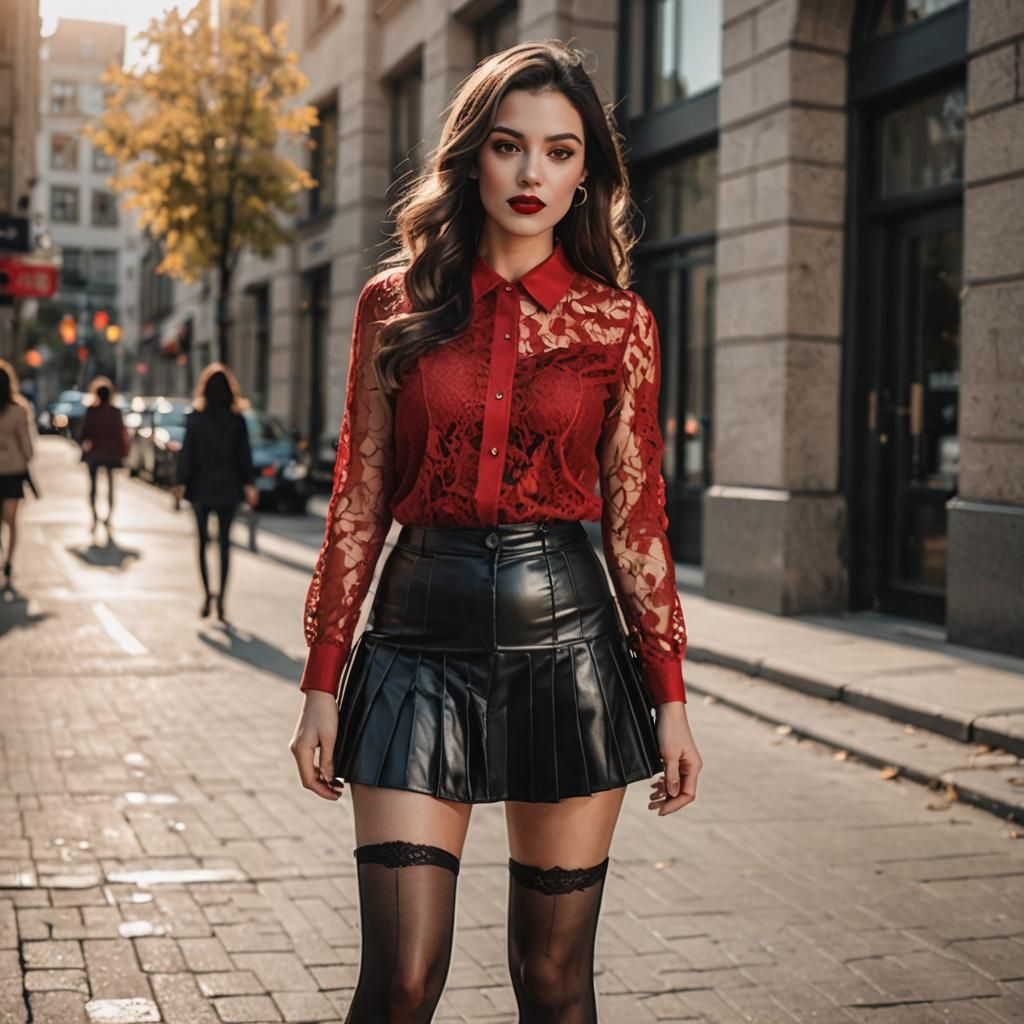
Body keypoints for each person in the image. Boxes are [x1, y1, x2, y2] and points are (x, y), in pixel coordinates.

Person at [289, 40, 704, 1022]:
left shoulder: (617, 324)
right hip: (412, 649)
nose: (531, 174)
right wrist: (319, 676)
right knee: (398, 982)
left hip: (569, 651)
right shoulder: (392, 305)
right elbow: (359, 492)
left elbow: (637, 514)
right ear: (471, 156)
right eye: (509, 146)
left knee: (554, 984)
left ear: (584, 174)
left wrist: (671, 696)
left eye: (559, 153)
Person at [171, 363, 257, 621]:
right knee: (224, 544)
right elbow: (244, 456)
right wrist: (249, 484)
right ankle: (222, 601)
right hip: (229, 487)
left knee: (202, 543)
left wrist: (179, 483)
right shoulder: (237, 420)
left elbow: (187, 455)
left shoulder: (195, 419)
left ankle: (207, 593)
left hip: (201, 487)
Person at [0, 359, 35, 590]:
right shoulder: (18, 410)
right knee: (11, 520)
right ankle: (9, 560)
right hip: (12, 471)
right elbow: (27, 448)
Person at [78, 376, 129, 531]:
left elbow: (84, 433)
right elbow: (121, 433)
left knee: (93, 488)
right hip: (112, 454)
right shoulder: (115, 412)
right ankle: (108, 517)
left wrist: (85, 445)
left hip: (94, 454)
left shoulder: (91, 412)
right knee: (111, 487)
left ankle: (94, 517)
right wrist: (123, 451)